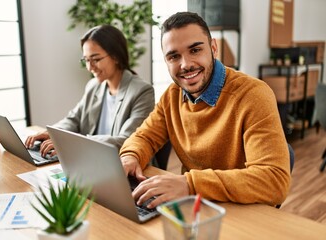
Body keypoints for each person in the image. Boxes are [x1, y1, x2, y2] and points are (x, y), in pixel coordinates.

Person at [120, 12, 291, 209]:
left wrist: (190, 184)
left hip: (243, 209)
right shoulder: (172, 95)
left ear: (213, 48)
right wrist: (130, 155)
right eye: (174, 56)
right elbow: (145, 136)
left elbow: (274, 181)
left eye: (195, 50)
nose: (185, 65)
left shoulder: (253, 95)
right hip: (195, 206)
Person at [25, 25, 155, 156]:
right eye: (86, 60)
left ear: (116, 56)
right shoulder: (93, 86)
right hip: (92, 159)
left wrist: (75, 142)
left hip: (124, 164)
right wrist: (53, 133)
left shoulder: (142, 91)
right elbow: (74, 119)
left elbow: (127, 141)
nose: (90, 67)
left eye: (96, 59)